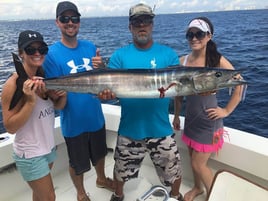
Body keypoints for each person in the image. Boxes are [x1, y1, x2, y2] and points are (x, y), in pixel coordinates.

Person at [103, 3, 183, 201]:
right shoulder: (119, 56)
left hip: (161, 128)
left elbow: (179, 88)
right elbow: (107, 89)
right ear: (130, 27)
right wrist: (104, 94)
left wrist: (180, 113)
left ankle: (175, 196)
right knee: (120, 172)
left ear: (152, 25)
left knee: (174, 171)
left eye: (146, 21)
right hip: (130, 129)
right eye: (137, 22)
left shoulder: (169, 55)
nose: (142, 26)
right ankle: (118, 195)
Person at [42, 1, 114, 201]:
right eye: (65, 19)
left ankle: (101, 179)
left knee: (100, 155)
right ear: (57, 22)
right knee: (77, 164)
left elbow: (102, 82)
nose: (70, 22)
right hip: (73, 124)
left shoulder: (91, 47)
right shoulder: (51, 55)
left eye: (74, 18)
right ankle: (81, 193)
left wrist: (103, 67)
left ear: (79, 22)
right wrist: (55, 95)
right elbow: (58, 99)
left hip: (96, 118)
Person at [172, 17, 243, 201]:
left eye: (199, 34)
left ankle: (215, 197)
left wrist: (226, 111)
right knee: (191, 157)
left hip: (209, 122)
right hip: (191, 119)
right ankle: (198, 188)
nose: (194, 38)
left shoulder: (216, 60)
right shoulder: (183, 61)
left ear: (209, 36)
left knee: (198, 164)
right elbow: (178, 92)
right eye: (190, 34)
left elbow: (239, 83)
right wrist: (177, 115)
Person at [1, 30, 66, 201]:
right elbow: (10, 127)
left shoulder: (44, 76)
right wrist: (30, 102)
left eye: (41, 49)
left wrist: (61, 96)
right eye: (30, 50)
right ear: (21, 53)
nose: (37, 54)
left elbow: (59, 106)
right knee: (49, 197)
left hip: (48, 147)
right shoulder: (12, 85)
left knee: (39, 195)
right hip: (30, 153)